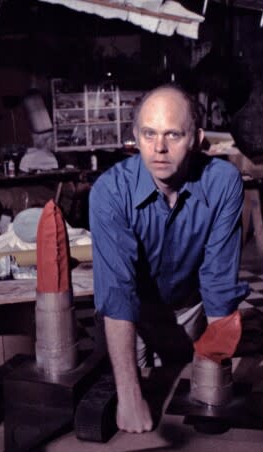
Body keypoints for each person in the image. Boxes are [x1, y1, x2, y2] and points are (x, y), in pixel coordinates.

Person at [88, 84, 249, 433]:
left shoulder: (224, 183)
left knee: (197, 414)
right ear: (135, 135)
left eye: (173, 134)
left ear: (197, 138)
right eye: (149, 134)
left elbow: (219, 280)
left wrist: (216, 377)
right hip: (131, 316)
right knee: (129, 411)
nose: (159, 148)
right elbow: (118, 292)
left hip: (189, 310)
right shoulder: (109, 192)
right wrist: (129, 397)